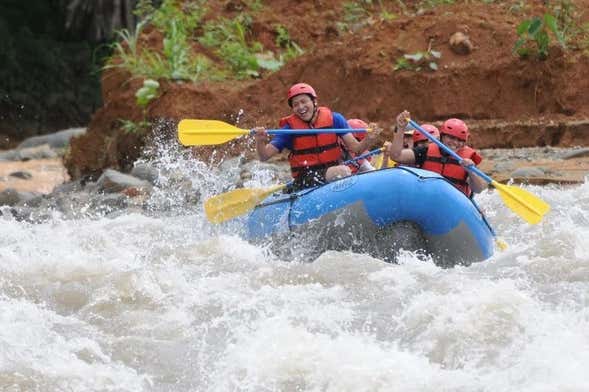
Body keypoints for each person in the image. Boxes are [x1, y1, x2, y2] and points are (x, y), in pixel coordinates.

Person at [254, 83, 380, 190]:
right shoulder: (290, 129)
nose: (300, 107)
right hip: (306, 178)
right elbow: (264, 156)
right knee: (343, 171)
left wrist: (368, 139)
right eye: (296, 104)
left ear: (314, 102)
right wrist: (260, 142)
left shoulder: (335, 119)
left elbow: (357, 149)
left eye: (304, 102)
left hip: (332, 171)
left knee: (343, 170)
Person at [386, 110, 488, 197]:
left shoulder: (468, 159)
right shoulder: (425, 151)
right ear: (442, 136)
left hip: (453, 204)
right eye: (451, 137)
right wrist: (400, 129)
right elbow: (396, 156)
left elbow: (479, 189)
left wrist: (471, 171)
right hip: (426, 199)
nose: (455, 143)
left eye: (460, 140)